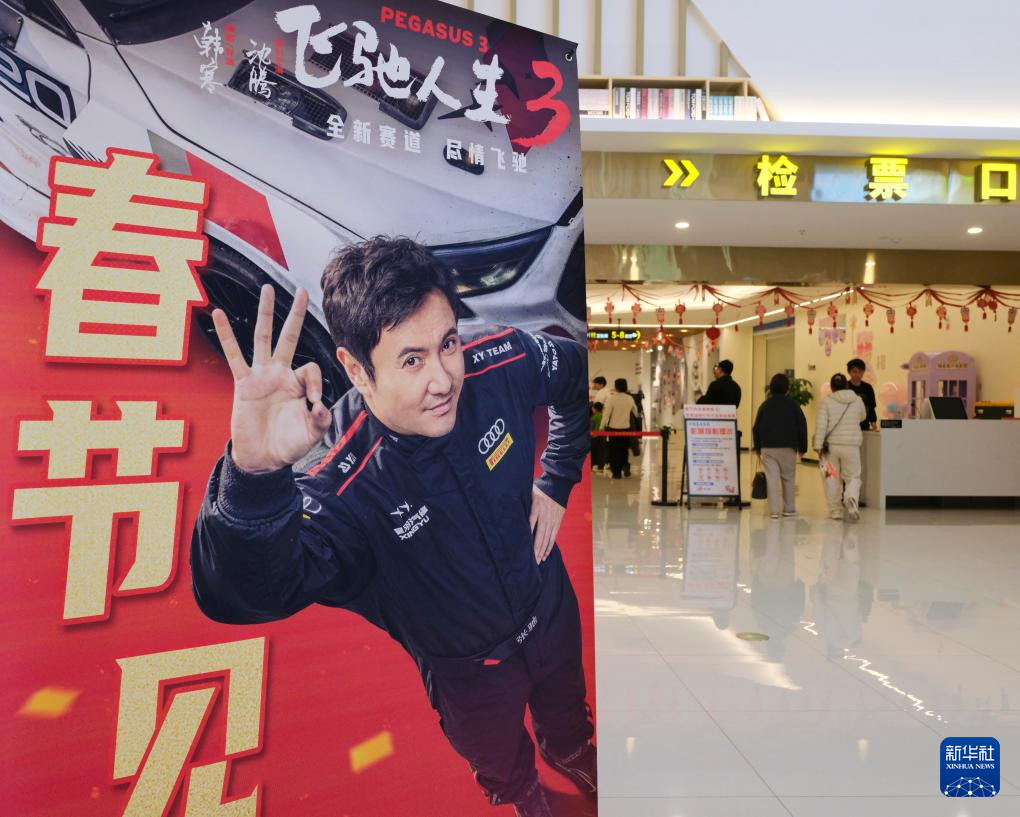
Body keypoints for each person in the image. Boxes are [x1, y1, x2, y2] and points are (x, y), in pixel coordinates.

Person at [191, 237, 595, 817]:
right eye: (411, 360)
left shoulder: (500, 360)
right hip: (468, 673)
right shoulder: (342, 483)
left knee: (569, 713)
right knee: (499, 760)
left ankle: (570, 751)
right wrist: (254, 477)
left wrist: (555, 479)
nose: (443, 379)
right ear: (357, 368)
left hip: (550, 607)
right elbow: (242, 594)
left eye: (447, 344)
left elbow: (575, 377)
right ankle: (524, 795)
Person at [752, 373, 808, 519]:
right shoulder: (793, 405)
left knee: (772, 479)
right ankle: (789, 508)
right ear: (787, 389)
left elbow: (756, 427)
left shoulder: (765, 405)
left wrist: (757, 447)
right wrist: (803, 447)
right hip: (788, 447)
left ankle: (774, 511)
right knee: (788, 477)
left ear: (771, 388)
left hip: (768, 447)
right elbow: (802, 426)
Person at [813, 373, 866, 522]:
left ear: (831, 387)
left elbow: (821, 426)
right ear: (846, 385)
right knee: (853, 476)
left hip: (830, 449)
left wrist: (818, 446)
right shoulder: (857, 400)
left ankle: (835, 511)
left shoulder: (826, 402)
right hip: (851, 446)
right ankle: (851, 498)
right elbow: (862, 416)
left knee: (830, 477)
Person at [600, 378, 638, 479]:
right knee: (624, 450)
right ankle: (625, 467)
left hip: (614, 428)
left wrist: (601, 426)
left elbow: (606, 414)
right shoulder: (629, 398)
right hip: (626, 428)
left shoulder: (612, 398)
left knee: (614, 451)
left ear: (616, 386)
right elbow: (635, 411)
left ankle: (616, 473)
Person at [846, 359, 877, 431]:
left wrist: (873, 422)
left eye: (860, 371)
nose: (857, 374)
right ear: (849, 372)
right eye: (854, 371)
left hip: (864, 426)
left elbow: (871, 407)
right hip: (848, 427)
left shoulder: (868, 388)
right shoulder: (845, 387)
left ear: (863, 372)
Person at [590, 401, 607, 472]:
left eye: (593, 408)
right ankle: (601, 466)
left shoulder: (593, 418)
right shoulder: (604, 417)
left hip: (594, 437)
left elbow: (591, 428)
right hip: (603, 437)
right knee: (601, 452)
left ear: (595, 409)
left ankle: (591, 466)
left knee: (593, 452)